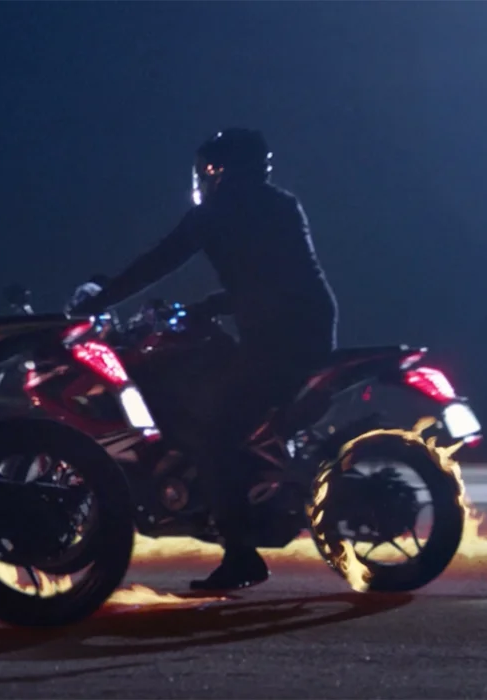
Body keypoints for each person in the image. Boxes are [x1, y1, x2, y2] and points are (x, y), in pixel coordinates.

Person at [69, 128, 337, 591]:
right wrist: (209, 306)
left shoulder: (218, 210)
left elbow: (159, 260)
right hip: (305, 328)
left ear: (217, 169)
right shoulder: (280, 204)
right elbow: (274, 278)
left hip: (276, 341)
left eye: (205, 169)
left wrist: (100, 300)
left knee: (213, 434)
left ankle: (240, 555)